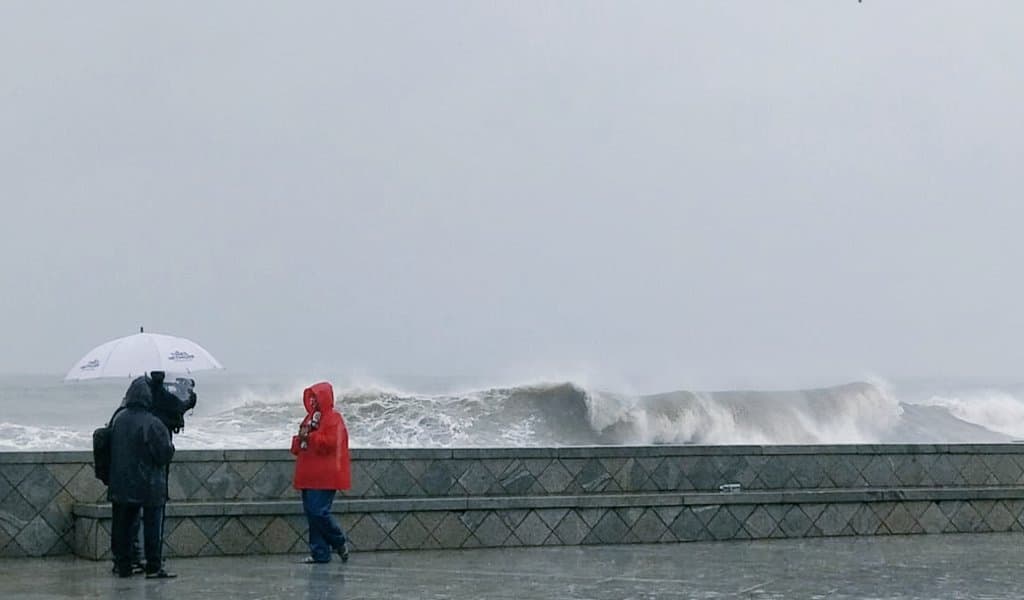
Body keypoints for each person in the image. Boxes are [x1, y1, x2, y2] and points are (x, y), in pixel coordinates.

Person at [108, 377, 176, 579]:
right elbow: (163, 454)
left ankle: (123, 566)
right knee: (153, 526)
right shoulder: (154, 423)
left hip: (121, 484)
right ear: (148, 398)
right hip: (150, 485)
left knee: (122, 526)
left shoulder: (118, 420)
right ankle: (154, 566)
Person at [291, 381, 352, 564]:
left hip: (326, 476)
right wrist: (299, 439)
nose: (314, 402)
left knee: (319, 512)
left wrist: (311, 436)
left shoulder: (334, 419)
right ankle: (320, 553)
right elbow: (298, 446)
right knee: (312, 515)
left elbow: (331, 443)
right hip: (308, 474)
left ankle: (338, 541)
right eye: (312, 399)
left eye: (316, 398)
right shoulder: (309, 419)